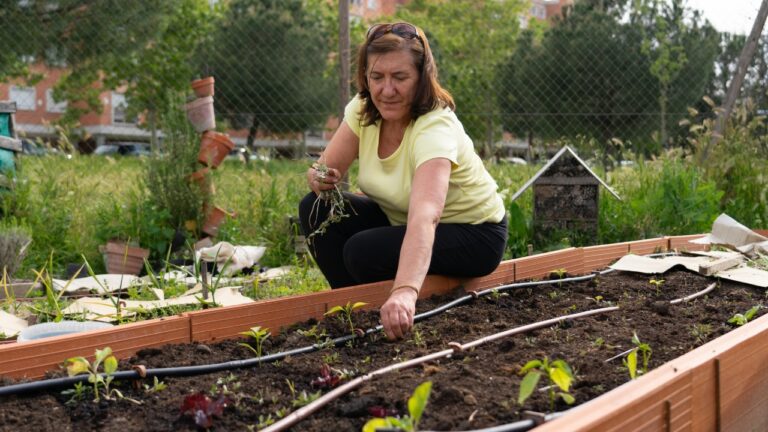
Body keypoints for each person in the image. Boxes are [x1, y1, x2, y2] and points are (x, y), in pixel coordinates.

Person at [299, 22, 508, 340]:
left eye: (400, 77)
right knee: (315, 208)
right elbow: (324, 169)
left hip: (474, 233)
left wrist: (406, 292)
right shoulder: (363, 110)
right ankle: (355, 313)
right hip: (403, 220)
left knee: (362, 251)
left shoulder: (434, 126)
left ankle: (396, 306)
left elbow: (426, 215)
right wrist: (318, 177)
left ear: (422, 78)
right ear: (365, 76)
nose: (386, 90)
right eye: (377, 77)